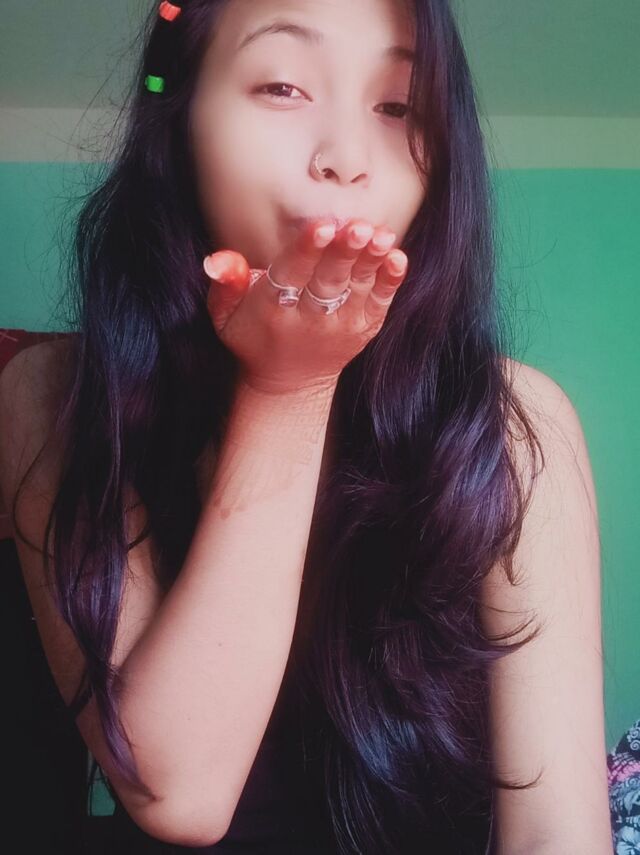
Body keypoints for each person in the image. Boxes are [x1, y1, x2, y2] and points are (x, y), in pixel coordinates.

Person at [0, 0, 613, 853]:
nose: (346, 158)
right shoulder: (52, 394)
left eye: (397, 106)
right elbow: (178, 790)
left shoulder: (515, 424)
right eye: (283, 87)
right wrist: (288, 386)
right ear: (180, 118)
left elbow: (556, 831)